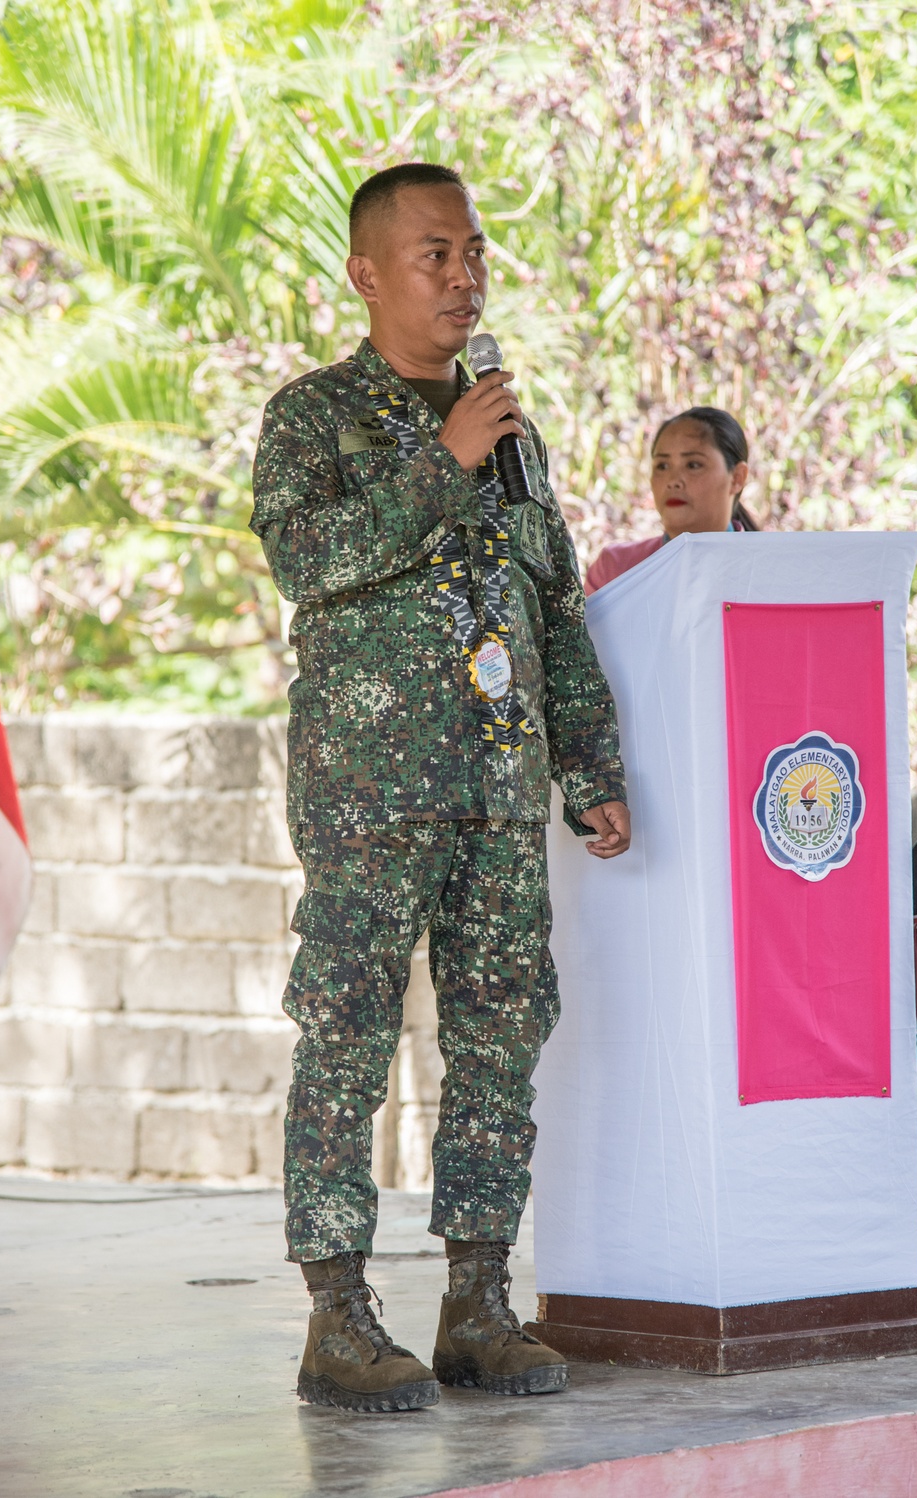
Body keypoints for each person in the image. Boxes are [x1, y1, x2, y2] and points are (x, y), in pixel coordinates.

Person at [250, 162, 631, 1414]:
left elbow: (552, 606)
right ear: (367, 274)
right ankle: (337, 1315)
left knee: (496, 1043)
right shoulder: (316, 416)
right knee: (349, 1041)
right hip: (372, 794)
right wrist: (440, 461)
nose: (464, 275)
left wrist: (590, 763)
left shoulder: (506, 426)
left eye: (473, 253)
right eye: (434, 255)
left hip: (496, 788)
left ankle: (475, 1302)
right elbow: (309, 561)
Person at [586, 407, 758, 595]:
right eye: (662, 466)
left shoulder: (768, 572)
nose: (673, 481)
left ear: (737, 478)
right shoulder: (615, 571)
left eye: (693, 465)